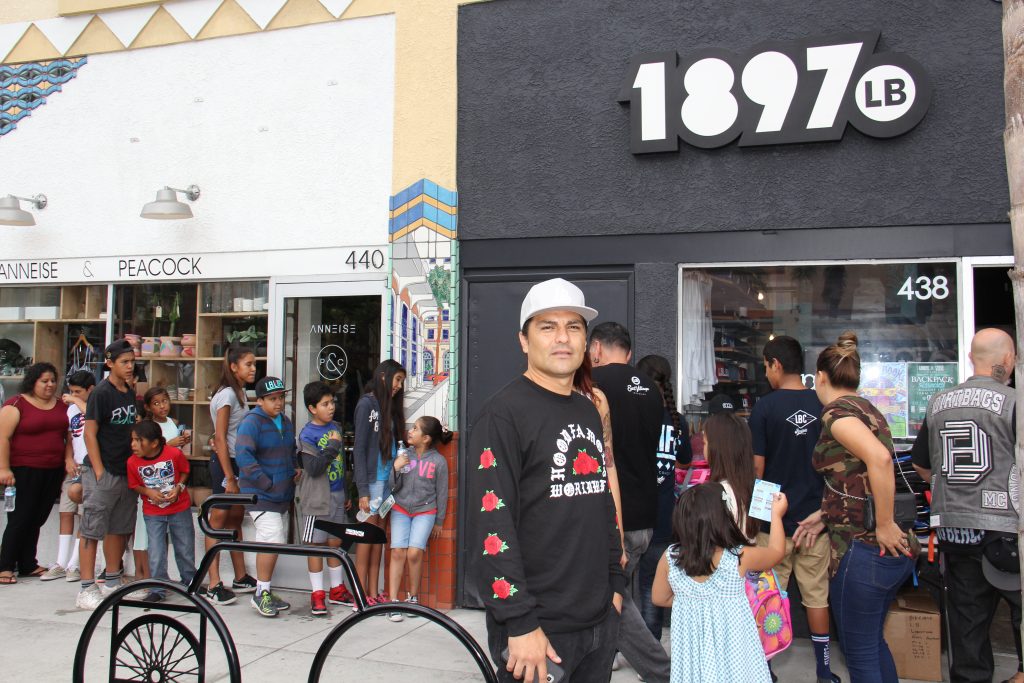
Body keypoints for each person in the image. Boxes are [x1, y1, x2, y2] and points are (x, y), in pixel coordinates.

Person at [470, 277, 625, 683]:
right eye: (547, 327)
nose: (562, 338)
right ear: (523, 340)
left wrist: (615, 586)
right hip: (538, 630)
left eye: (573, 327)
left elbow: (601, 502)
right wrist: (519, 623)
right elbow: (492, 529)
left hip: (598, 622)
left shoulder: (587, 409)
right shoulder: (502, 415)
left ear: (586, 341)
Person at [911, 328, 1023, 683]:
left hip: (955, 530)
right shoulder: (1015, 402)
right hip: (1007, 532)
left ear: (973, 358)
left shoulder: (939, 402)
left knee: (967, 630)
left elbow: (920, 464)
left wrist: (951, 489)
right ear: (1008, 359)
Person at [807, 332, 915, 683]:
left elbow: (880, 459)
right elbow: (856, 478)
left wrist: (883, 523)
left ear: (820, 377)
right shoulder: (868, 409)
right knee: (872, 644)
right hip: (881, 551)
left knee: (860, 655)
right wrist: (825, 514)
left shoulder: (836, 415)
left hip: (863, 549)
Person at [749, 335, 838, 683]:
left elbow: (757, 470)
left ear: (776, 364)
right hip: (815, 522)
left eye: (766, 365)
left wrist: (752, 517)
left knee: (767, 596)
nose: (766, 372)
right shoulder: (822, 404)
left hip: (774, 525)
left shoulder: (764, 408)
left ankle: (764, 670)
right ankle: (824, 672)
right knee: (817, 599)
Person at [589, 321, 671, 683]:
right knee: (624, 598)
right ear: (629, 352)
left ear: (595, 349)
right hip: (646, 513)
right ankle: (600, 666)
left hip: (614, 516)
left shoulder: (594, 386)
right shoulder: (653, 390)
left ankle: (664, 672)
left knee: (613, 605)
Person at [652, 482, 787, 683]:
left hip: (693, 657)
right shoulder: (739, 557)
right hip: (734, 658)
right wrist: (776, 515)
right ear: (723, 518)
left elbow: (659, 597)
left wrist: (696, 600)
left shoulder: (670, 558)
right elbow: (776, 552)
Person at [76, 340, 140, 610]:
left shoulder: (129, 391)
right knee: (92, 528)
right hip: (102, 470)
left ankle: (112, 580)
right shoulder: (101, 393)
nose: (129, 367)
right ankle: (87, 587)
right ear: (110, 363)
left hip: (125, 470)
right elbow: (90, 432)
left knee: (119, 528)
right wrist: (99, 471)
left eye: (132, 362)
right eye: (124, 362)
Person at [636, 354, 692, 641]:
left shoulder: (631, 415)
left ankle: (616, 650)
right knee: (652, 585)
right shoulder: (677, 420)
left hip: (632, 514)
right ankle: (651, 651)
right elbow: (684, 460)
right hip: (663, 515)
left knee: (620, 585)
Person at [0, 362, 70, 584]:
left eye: (52, 381)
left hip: (52, 470)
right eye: (44, 381)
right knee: (20, 518)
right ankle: (5, 566)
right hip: (23, 470)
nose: (49, 385)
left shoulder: (61, 406)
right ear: (33, 382)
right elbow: (3, 438)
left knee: (38, 517)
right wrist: (3, 468)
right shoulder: (16, 405)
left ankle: (28, 563)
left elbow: (69, 436)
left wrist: (67, 460)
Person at [235, 376, 296, 618]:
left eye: (281, 397)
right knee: (271, 539)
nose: (278, 402)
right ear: (259, 401)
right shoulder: (251, 423)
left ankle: (265, 589)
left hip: (282, 492)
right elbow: (244, 457)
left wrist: (294, 470)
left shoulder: (286, 421)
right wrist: (265, 483)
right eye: (272, 399)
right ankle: (261, 593)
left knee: (273, 540)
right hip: (260, 494)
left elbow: (290, 451)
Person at [203, 345, 259, 606]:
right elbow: (220, 437)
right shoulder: (226, 395)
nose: (253, 369)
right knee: (218, 519)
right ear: (233, 366)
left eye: (254, 364)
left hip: (238, 462)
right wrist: (230, 476)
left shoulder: (239, 394)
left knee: (236, 517)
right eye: (248, 364)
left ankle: (240, 576)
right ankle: (213, 582)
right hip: (226, 464)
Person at [295, 381, 354, 617]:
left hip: (338, 494)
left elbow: (341, 465)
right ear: (312, 408)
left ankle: (337, 589)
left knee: (334, 543)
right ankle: (317, 593)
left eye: (332, 403)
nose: (331, 408)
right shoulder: (307, 434)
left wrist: (347, 492)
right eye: (325, 404)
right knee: (316, 545)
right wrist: (331, 445)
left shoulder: (336, 427)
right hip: (317, 498)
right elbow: (314, 467)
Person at [386, 415, 451, 622]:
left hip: (425, 511)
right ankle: (394, 601)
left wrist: (439, 521)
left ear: (427, 438)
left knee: (414, 553)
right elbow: (392, 487)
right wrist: (396, 468)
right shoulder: (405, 455)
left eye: (415, 429)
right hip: (401, 508)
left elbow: (442, 492)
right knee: (397, 552)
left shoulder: (438, 461)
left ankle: (413, 597)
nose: (410, 431)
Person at [353, 359, 406, 607]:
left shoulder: (388, 407)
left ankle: (373, 591)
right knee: (366, 538)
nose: (399, 386)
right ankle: (360, 593)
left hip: (387, 484)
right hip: (372, 483)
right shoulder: (367, 404)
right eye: (397, 380)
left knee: (377, 539)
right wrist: (362, 490)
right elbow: (359, 449)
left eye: (402, 382)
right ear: (384, 376)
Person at [126, 419, 195, 603]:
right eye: (132, 440)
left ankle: (190, 582)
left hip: (179, 507)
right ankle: (158, 588)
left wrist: (178, 487)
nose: (133, 445)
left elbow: (185, 471)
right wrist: (148, 491)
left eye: (138, 440)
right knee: (156, 551)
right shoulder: (132, 462)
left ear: (154, 443)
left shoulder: (173, 454)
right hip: (152, 512)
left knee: (185, 546)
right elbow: (134, 485)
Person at [40, 369, 95, 582]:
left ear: (90, 390)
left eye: (78, 391)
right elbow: (71, 438)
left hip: (90, 469)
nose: (73, 395)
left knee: (84, 515)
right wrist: (68, 459)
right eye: (71, 391)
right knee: (66, 511)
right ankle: (61, 562)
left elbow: (91, 416)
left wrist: (73, 399)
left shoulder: (93, 405)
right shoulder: (71, 410)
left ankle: (75, 563)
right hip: (74, 467)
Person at [704, 411, 759, 540]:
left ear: (716, 448)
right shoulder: (759, 489)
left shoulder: (712, 495)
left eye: (704, 443)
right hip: (755, 558)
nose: (703, 449)